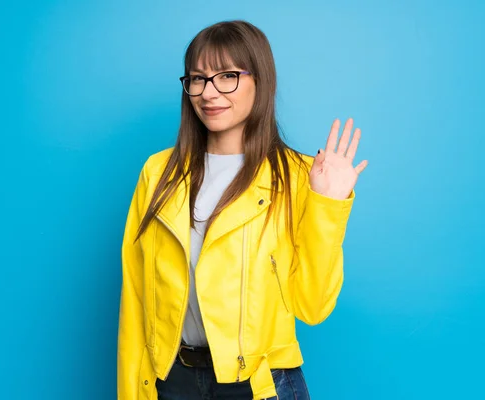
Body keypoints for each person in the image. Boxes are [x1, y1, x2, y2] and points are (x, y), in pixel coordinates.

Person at [117, 20, 368, 400]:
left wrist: (327, 206)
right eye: (198, 79)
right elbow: (135, 299)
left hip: (260, 384)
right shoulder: (159, 173)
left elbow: (313, 306)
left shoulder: (299, 176)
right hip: (171, 382)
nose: (209, 92)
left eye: (228, 76)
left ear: (260, 81)